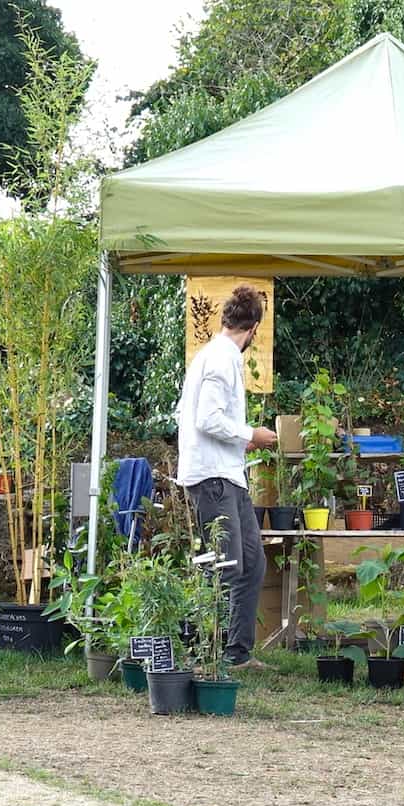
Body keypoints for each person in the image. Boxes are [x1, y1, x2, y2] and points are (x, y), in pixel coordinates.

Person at [174, 284, 278, 670]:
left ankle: (237, 654)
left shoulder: (215, 356)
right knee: (224, 566)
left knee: (251, 563)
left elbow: (193, 416)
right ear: (252, 328)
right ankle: (194, 645)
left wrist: (238, 440)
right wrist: (251, 434)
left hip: (227, 473)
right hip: (213, 477)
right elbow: (206, 418)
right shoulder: (221, 358)